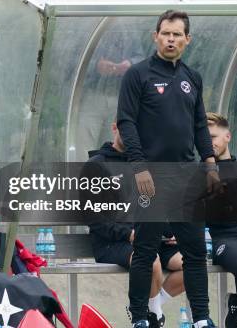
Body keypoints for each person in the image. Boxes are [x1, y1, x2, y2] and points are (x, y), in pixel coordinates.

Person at [117, 10, 220, 328]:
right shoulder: (138, 75)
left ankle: (201, 318)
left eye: (177, 34)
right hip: (150, 176)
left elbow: (200, 123)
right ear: (155, 36)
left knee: (194, 251)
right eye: (166, 33)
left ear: (187, 39)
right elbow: (126, 122)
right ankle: (139, 318)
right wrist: (140, 167)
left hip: (186, 176)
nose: (171, 39)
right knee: (145, 251)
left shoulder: (192, 77)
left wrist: (210, 163)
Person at [87, 122, 185, 327]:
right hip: (113, 241)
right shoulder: (97, 165)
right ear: (115, 128)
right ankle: (151, 317)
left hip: (149, 236)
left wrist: (172, 231)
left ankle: (153, 308)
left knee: (193, 262)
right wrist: (130, 234)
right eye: (127, 129)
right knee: (150, 260)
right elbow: (96, 220)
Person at [77, 0, 145, 158]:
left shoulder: (128, 18)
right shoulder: (78, 17)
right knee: (84, 144)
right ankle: (83, 186)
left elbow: (140, 55)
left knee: (117, 145)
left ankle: (113, 186)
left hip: (120, 96)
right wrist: (96, 66)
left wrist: (128, 65)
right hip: (89, 95)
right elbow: (69, 60)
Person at [205, 112, 237, 328]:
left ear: (228, 137)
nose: (208, 142)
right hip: (225, 239)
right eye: (204, 138)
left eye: (213, 137)